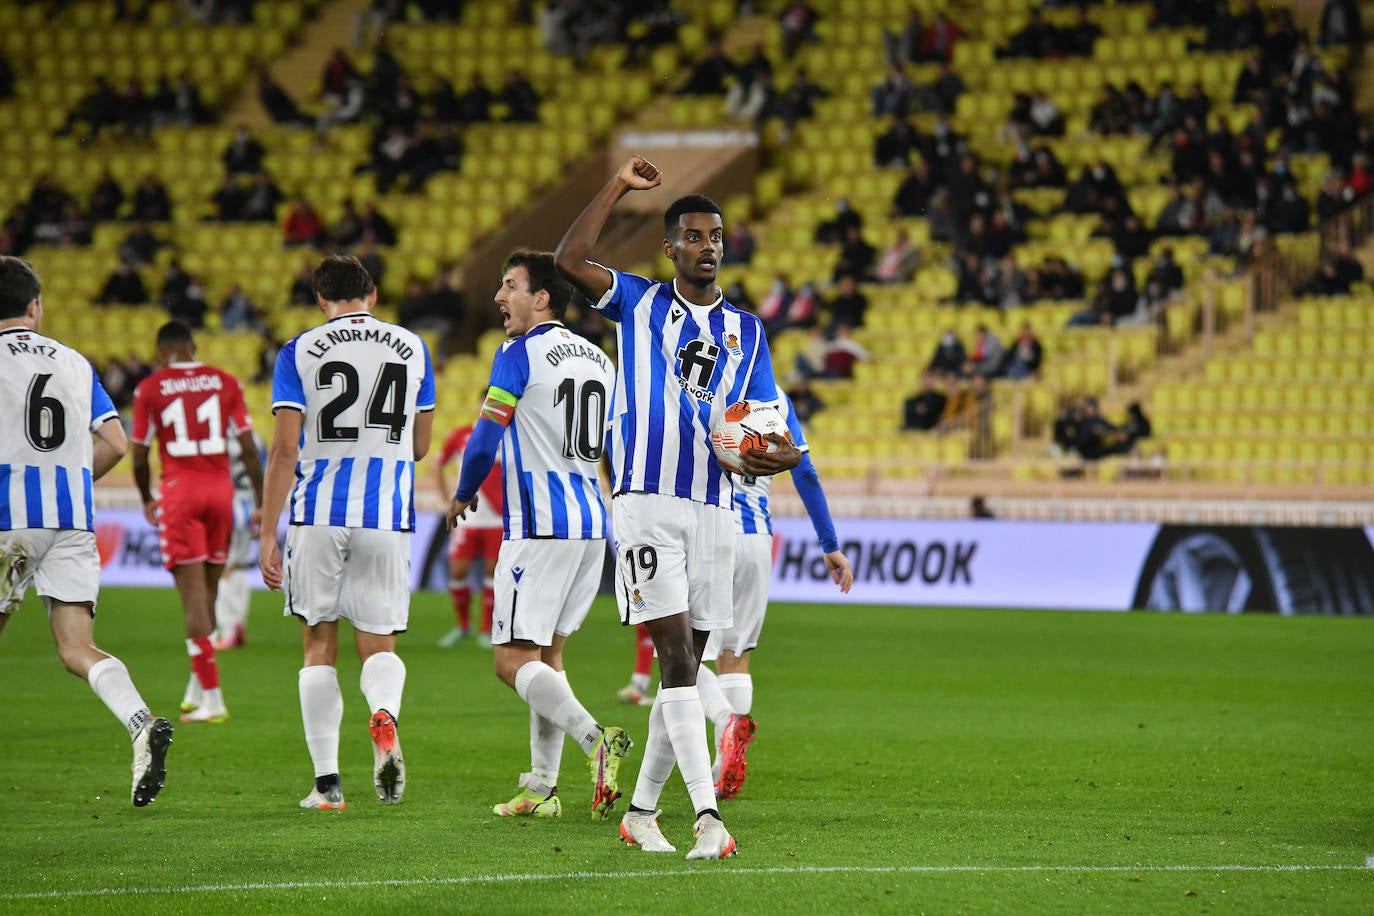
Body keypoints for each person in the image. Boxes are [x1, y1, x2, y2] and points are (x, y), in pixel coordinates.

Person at [555, 157, 801, 860]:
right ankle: (707, 818)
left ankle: (640, 812)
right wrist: (617, 188)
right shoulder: (637, 300)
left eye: (715, 236)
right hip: (647, 502)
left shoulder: (749, 332)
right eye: (693, 236)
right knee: (672, 654)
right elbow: (569, 258)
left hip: (718, 508)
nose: (708, 245)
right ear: (671, 248)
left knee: (686, 668)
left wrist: (771, 456)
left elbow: (771, 429)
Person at [445, 249, 629, 821]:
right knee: (546, 660)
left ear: (542, 297)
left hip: (540, 527)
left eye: (509, 286)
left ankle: (595, 740)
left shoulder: (518, 352)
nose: (500, 297)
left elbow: (484, 435)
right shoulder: (602, 360)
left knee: (509, 662)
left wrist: (464, 488)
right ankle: (542, 788)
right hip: (589, 523)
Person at [258, 255, 435, 810]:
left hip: (317, 515)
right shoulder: (412, 348)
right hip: (385, 514)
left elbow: (286, 448)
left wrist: (267, 533)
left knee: (318, 644)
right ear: (373, 295)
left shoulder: (299, 351)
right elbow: (421, 445)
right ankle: (383, 714)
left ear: (320, 300)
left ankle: (328, 785)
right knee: (379, 643)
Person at [0, 255, 173, 807]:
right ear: (35, 307)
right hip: (71, 520)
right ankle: (140, 721)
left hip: (10, 518)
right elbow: (118, 443)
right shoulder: (74, 362)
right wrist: (73, 480)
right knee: (77, 647)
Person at [694, 391, 852, 799]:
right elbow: (806, 472)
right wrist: (829, 543)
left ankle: (724, 719)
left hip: (710, 530)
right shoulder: (777, 399)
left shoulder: (705, 386)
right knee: (736, 656)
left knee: (677, 655)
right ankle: (721, 766)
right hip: (757, 539)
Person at [131, 321, 262, 724]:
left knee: (192, 600)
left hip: (180, 493)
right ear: (193, 346)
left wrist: (147, 497)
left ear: (160, 351)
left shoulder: (150, 388)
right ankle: (194, 691)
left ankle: (214, 699)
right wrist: (260, 504)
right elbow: (249, 449)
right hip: (221, 493)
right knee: (208, 593)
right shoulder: (225, 382)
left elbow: (138, 455)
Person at [434, 391, 504, 649]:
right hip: (468, 518)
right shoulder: (462, 435)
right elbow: (438, 463)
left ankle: (486, 629)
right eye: (482, 402)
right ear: (478, 404)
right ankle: (463, 625)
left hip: (498, 519)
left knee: (492, 574)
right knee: (457, 571)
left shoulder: (507, 435)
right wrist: (445, 500)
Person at [212, 429, 266, 650]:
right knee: (239, 566)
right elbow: (264, 471)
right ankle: (238, 623)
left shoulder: (217, 438)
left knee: (223, 567)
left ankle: (228, 628)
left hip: (226, 508)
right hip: (250, 507)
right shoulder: (256, 439)